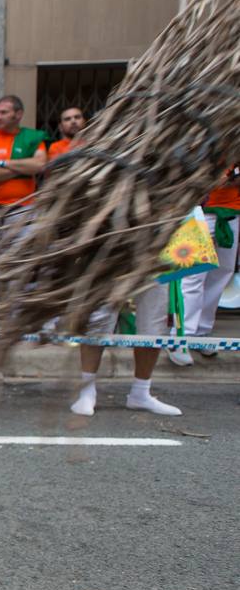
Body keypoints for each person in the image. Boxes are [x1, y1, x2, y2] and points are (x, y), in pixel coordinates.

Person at [0, 96, 46, 305]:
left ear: (18, 114)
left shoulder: (32, 138)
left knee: (24, 257)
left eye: (4, 112)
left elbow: (39, 165)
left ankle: (20, 306)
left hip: (24, 208)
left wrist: (3, 164)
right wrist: (21, 168)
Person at [71, 284, 182, 418]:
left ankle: (140, 393)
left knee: (154, 327)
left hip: (160, 265)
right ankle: (87, 392)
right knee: (98, 321)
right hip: (112, 264)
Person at [188, 169, 240, 356]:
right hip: (201, 210)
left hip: (233, 212)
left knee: (222, 273)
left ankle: (202, 332)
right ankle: (183, 334)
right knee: (193, 275)